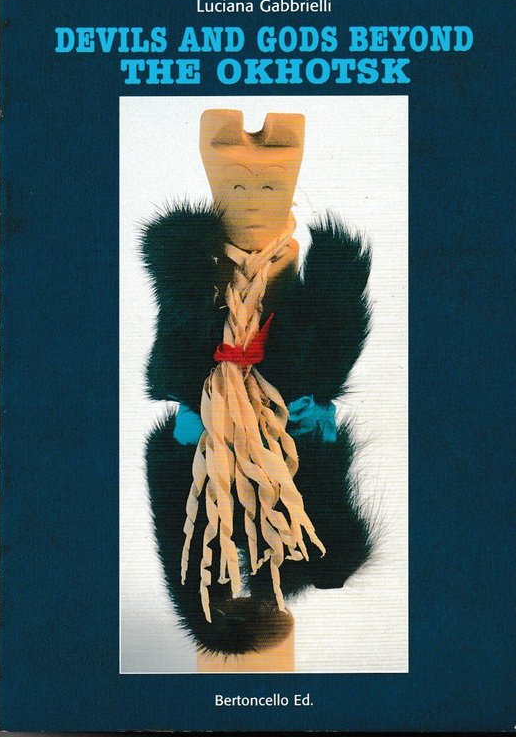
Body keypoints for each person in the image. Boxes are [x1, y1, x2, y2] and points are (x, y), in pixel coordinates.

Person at [141, 109, 374, 655]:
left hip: (278, 422)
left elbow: (331, 338)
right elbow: (179, 340)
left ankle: (272, 579)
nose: (250, 200)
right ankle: (218, 608)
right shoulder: (192, 277)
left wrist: (315, 415)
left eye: (269, 185)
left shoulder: (299, 273)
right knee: (206, 508)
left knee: (300, 532)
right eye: (235, 185)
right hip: (217, 427)